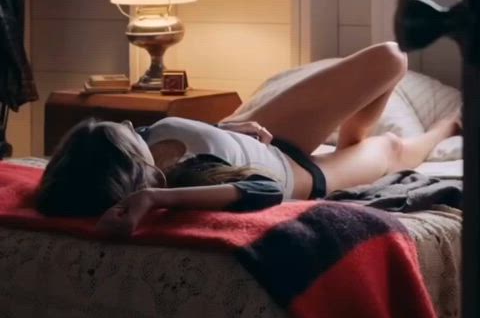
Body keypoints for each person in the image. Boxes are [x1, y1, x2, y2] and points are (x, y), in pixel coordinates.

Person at [36, 42, 460, 236]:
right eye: (127, 133)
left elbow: (188, 135)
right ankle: (448, 126)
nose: (133, 124)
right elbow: (265, 190)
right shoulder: (188, 178)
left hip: (263, 131)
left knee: (390, 57)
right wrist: (154, 199)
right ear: (132, 167)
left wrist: (228, 130)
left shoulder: (146, 139)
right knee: (391, 148)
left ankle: (353, 138)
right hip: (297, 171)